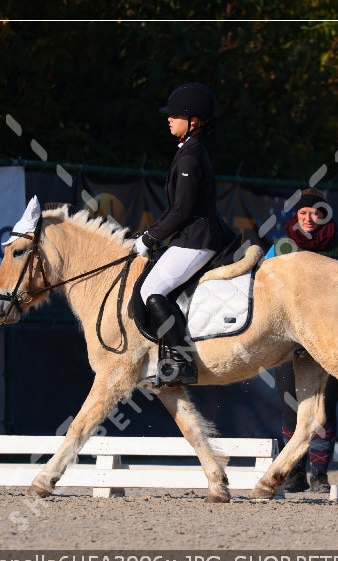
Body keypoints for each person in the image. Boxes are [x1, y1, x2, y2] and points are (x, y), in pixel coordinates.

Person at [264, 188, 338, 493]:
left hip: (333, 342)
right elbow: (261, 288)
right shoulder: (282, 247)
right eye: (301, 214)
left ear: (325, 214)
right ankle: (294, 472)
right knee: (291, 408)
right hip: (289, 343)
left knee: (324, 408)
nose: (308, 219)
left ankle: (320, 475)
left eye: (314, 213)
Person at [134, 82, 234, 387]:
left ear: (194, 120)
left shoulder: (190, 156)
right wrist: (150, 233)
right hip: (191, 236)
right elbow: (174, 209)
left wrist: (149, 239)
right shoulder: (188, 150)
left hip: (198, 239)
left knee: (152, 291)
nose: (169, 118)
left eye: (175, 114)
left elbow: (182, 211)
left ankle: (181, 360)